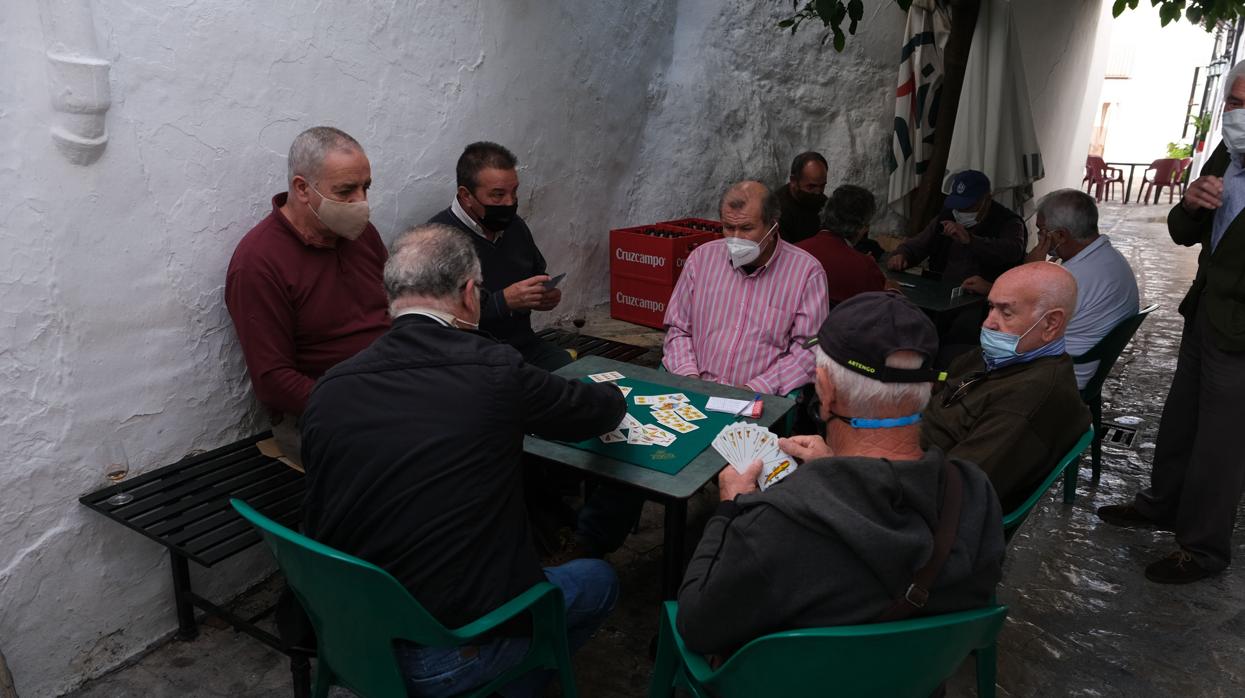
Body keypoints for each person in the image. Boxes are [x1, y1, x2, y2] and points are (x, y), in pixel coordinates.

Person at [300, 223, 623, 696]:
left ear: (392, 297)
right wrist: (617, 393)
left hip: (349, 636)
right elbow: (595, 411)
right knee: (597, 580)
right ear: (470, 294)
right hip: (446, 649)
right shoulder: (492, 369)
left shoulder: (330, 388)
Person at [676, 292, 1005, 656]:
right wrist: (839, 473)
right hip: (915, 679)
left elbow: (696, 626)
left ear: (826, 391)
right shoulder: (974, 491)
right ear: (927, 388)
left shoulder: (774, 523)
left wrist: (730, 508)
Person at [1096, 61, 1245, 584]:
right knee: (1181, 418)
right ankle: (1161, 504)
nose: (1236, 114)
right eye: (1233, 102)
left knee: (1222, 445)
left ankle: (1202, 549)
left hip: (1241, 333)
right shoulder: (1229, 154)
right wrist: (1191, 202)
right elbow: (1183, 232)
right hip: (1204, 311)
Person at [225, 126, 390, 466]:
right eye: (346, 191)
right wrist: (363, 402)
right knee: (424, 455)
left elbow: (397, 309)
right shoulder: (259, 262)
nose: (362, 202)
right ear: (302, 188)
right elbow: (274, 382)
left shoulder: (360, 234)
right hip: (324, 414)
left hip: (392, 389)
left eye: (366, 188)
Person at [921, 262, 1091, 512]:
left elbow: (953, 489)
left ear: (1051, 324)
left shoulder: (1030, 397)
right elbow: (940, 390)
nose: (988, 323)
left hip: (924, 499)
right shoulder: (996, 357)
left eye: (1006, 313)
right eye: (990, 307)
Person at [663, 181, 829, 395]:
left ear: (772, 227)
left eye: (747, 228)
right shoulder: (701, 260)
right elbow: (678, 329)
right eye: (728, 227)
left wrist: (756, 388)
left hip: (761, 399)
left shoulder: (806, 273)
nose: (735, 238)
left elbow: (809, 348)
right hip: (695, 389)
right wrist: (690, 377)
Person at [428, 141, 568, 371]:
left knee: (575, 378)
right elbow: (442, 322)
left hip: (524, 348)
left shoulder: (515, 227)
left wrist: (543, 295)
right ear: (466, 196)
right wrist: (503, 301)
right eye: (498, 195)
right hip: (471, 359)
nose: (510, 202)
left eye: (514, 192)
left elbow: (536, 272)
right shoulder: (437, 241)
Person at [887, 169, 1026, 288]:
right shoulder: (947, 216)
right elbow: (920, 243)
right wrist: (903, 254)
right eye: (958, 206)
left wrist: (971, 240)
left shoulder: (1008, 221)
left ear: (986, 199)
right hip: (942, 289)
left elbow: (1012, 251)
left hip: (981, 297)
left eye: (968, 206)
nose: (961, 211)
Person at [796, 184, 888, 307]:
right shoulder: (866, 269)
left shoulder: (793, 253)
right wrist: (893, 291)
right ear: (861, 228)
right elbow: (880, 312)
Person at [776, 151, 829, 244]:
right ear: (793, 181)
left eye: (822, 186)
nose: (818, 192)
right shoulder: (777, 210)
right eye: (811, 187)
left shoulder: (824, 202)